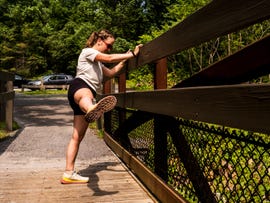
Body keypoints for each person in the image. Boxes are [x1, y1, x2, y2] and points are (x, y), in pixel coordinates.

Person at [61, 29, 142, 184]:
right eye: (109, 45)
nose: (110, 49)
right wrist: (132, 54)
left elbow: (111, 73)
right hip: (81, 87)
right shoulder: (88, 52)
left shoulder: (97, 64)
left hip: (81, 95)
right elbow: (109, 58)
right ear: (99, 40)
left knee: (77, 137)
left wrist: (123, 61)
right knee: (87, 97)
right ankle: (91, 108)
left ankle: (68, 173)